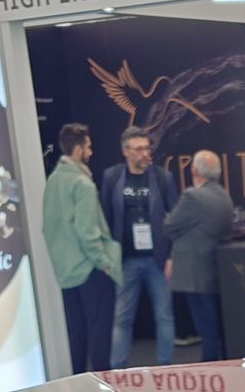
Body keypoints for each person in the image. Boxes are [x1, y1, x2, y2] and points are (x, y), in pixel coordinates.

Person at [41, 124, 120, 374]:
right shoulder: (82, 184)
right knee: (99, 335)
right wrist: (103, 262)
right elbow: (88, 232)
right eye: (88, 147)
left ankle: (79, 388)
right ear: (77, 150)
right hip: (89, 268)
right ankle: (103, 387)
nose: (91, 152)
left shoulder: (53, 181)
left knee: (76, 334)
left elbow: (48, 227)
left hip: (65, 271)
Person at [101, 126, 177, 367]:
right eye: (138, 149)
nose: (145, 153)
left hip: (158, 259)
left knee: (164, 316)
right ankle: (117, 369)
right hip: (126, 260)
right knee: (122, 317)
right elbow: (105, 219)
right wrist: (107, 257)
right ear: (125, 151)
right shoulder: (112, 177)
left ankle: (165, 367)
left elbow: (175, 220)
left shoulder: (162, 178)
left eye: (146, 148)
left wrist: (171, 257)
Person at [164, 150, 236, 363]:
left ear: (194, 170)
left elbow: (169, 226)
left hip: (195, 274)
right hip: (214, 271)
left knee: (207, 332)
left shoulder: (192, 197)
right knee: (216, 330)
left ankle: (210, 369)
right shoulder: (224, 196)